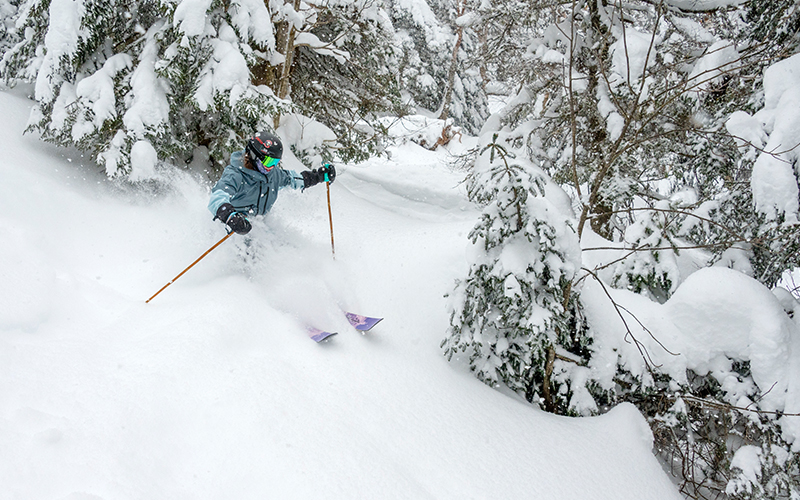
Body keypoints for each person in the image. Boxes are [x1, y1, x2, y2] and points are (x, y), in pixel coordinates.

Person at [208, 131, 336, 234]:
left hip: (259, 229)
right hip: (233, 231)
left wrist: (319, 176)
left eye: (275, 163)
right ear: (254, 155)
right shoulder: (235, 175)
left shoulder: (272, 175)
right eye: (269, 162)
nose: (271, 167)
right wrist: (230, 216)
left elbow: (293, 179)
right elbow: (217, 196)